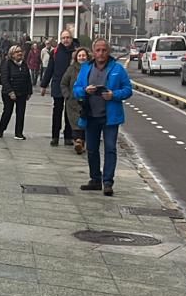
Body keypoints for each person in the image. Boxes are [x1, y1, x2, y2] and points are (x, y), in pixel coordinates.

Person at [73, 38, 135, 196]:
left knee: (110, 149)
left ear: (108, 51)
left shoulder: (117, 69)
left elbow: (128, 90)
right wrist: (85, 90)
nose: (101, 53)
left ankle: (108, 182)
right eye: (98, 50)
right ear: (93, 52)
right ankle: (95, 179)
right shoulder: (86, 68)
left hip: (110, 117)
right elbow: (76, 89)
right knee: (92, 150)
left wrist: (113, 95)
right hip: (90, 115)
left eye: (104, 50)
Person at [39, 29, 81, 146]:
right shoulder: (56, 52)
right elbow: (49, 70)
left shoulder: (77, 52)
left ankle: (68, 136)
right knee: (57, 111)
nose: (65, 40)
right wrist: (44, 85)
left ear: (71, 39)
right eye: (63, 38)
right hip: (58, 85)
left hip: (72, 86)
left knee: (70, 112)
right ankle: (55, 136)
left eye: (67, 37)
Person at [0, 44, 32, 139]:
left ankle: (18, 133)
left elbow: (28, 78)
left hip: (22, 92)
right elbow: (4, 79)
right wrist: (10, 91)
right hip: (8, 93)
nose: (19, 53)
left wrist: (29, 91)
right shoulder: (7, 63)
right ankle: (1, 129)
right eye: (17, 52)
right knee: (8, 111)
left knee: (21, 113)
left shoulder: (24, 64)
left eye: (20, 51)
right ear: (12, 54)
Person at [62, 47, 90, 154]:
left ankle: (81, 142)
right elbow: (64, 83)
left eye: (83, 55)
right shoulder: (71, 69)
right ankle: (77, 141)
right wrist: (67, 95)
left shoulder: (91, 68)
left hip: (86, 101)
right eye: (79, 56)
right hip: (72, 102)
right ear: (76, 57)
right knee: (75, 123)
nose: (82, 57)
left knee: (84, 123)